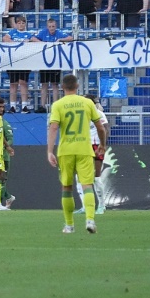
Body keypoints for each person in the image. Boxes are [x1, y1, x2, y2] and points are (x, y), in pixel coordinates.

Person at [47, 75, 108, 234]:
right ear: (78, 85)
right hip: (84, 149)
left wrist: (49, 151)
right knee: (87, 185)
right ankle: (90, 220)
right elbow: (101, 127)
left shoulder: (58, 104)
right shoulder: (87, 102)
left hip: (65, 151)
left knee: (66, 188)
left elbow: (53, 128)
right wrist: (102, 144)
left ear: (62, 87)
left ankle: (69, 225)